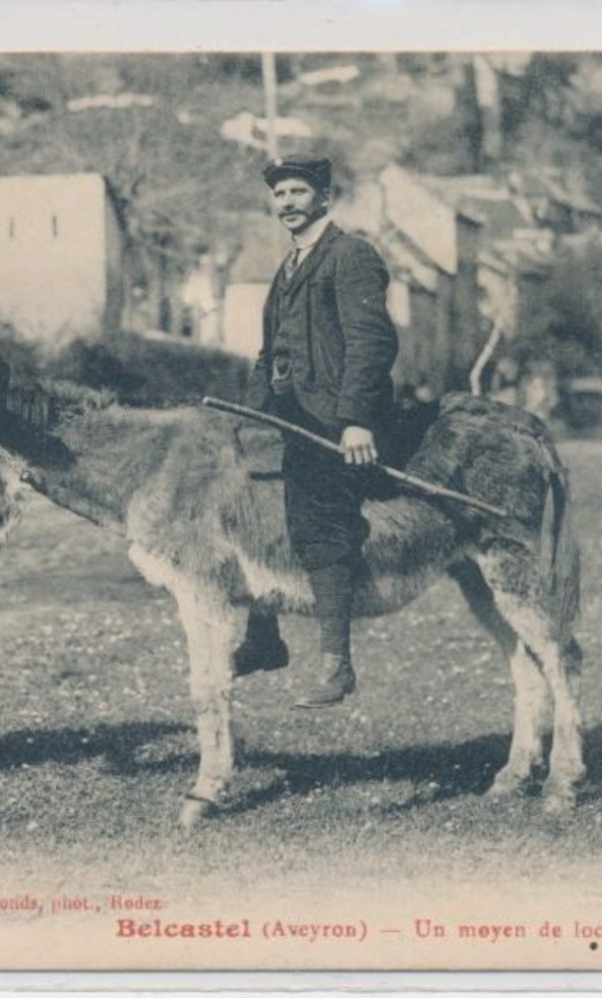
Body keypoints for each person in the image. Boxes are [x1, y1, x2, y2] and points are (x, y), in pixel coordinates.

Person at [239, 154, 400, 708]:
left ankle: (337, 664)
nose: (287, 202)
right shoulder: (286, 269)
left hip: (333, 422)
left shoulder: (351, 256)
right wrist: (250, 417)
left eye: (298, 192)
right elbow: (269, 351)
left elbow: (372, 343)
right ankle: (263, 638)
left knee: (320, 520)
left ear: (325, 198)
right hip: (286, 416)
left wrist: (356, 420)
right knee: (251, 501)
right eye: (279, 193)